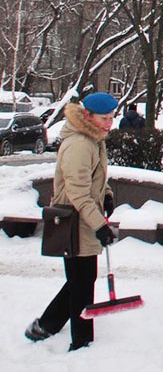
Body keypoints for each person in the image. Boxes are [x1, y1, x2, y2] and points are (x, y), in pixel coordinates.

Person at [25, 92, 118, 351]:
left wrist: (107, 195)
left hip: (84, 216)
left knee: (81, 279)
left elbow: (95, 177)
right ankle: (81, 341)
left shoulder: (93, 138)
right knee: (81, 282)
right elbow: (78, 192)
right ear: (87, 115)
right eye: (104, 118)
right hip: (74, 219)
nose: (109, 123)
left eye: (112, 117)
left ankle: (46, 325)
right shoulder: (79, 143)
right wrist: (100, 225)